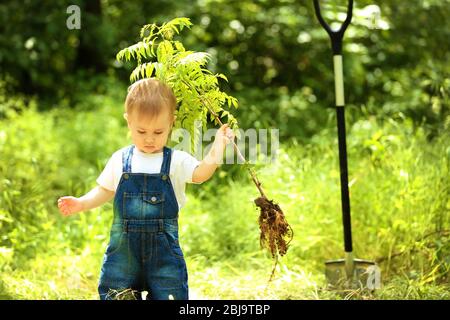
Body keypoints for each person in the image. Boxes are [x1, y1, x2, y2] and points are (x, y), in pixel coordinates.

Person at [57, 78, 234, 300]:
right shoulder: (120, 159)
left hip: (163, 254)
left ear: (171, 122)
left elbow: (201, 174)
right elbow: (105, 190)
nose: (149, 139)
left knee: (170, 295)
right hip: (123, 253)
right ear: (128, 122)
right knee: (117, 293)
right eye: (141, 131)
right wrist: (81, 203)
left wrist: (218, 146)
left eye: (158, 132)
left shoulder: (176, 161)